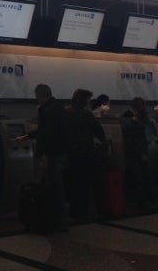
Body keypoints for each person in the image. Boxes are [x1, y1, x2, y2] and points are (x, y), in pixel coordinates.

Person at [16, 84, 69, 231]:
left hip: (52, 154)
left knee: (54, 187)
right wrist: (26, 136)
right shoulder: (58, 108)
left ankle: (56, 220)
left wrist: (43, 156)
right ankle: (57, 219)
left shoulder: (48, 111)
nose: (37, 100)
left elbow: (46, 134)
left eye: (37, 97)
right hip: (60, 152)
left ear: (41, 96)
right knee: (55, 186)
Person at [65, 89, 107, 221]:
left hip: (70, 153)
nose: (89, 102)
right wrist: (104, 143)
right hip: (85, 152)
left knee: (71, 183)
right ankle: (82, 211)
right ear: (83, 100)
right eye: (87, 99)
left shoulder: (65, 112)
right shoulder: (86, 114)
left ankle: (73, 211)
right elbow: (98, 131)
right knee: (84, 184)